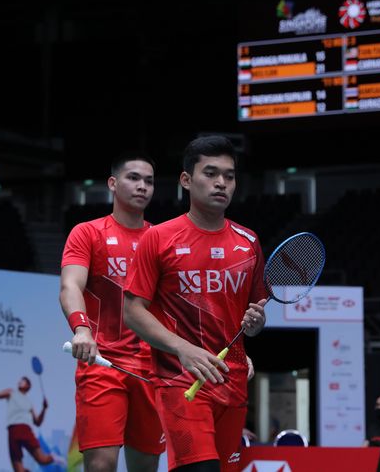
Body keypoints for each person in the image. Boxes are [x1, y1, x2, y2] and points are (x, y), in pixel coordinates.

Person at [124, 135, 267, 472]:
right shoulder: (158, 238)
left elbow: (254, 316)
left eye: (229, 176)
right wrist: (182, 348)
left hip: (232, 382)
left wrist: (257, 325)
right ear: (186, 180)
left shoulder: (248, 243)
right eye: (211, 173)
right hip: (180, 379)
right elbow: (133, 311)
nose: (221, 183)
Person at [59, 152, 165, 472]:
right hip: (102, 361)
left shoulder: (163, 240)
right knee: (101, 465)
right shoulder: (88, 233)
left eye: (149, 181)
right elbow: (70, 286)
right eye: (133, 178)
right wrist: (81, 329)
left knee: (145, 466)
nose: (142, 186)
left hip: (152, 369)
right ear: (113, 184)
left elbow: (180, 307)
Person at [0, 366, 61, 472]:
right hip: (12, 431)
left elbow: (38, 422)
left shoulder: (29, 403)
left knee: (42, 459)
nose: (20, 381)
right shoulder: (11, 392)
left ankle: (55, 457)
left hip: (25, 430)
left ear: (28, 386)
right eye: (20, 380)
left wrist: (44, 409)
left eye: (23, 381)